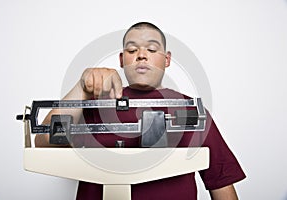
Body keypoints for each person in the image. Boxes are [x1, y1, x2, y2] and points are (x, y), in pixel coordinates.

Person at [35, 22, 246, 200]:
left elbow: (221, 183)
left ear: (167, 60)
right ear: (121, 60)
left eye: (152, 50)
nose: (142, 55)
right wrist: (82, 87)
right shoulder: (95, 105)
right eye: (132, 50)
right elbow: (44, 140)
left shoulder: (190, 111)